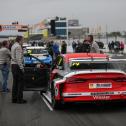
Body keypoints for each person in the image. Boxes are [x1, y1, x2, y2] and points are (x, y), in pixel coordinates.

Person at [11, 36, 27, 104]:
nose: (23, 41)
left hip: (13, 65)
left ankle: (14, 98)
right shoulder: (18, 47)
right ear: (20, 40)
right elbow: (18, 59)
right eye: (23, 40)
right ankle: (19, 99)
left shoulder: (13, 45)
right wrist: (22, 68)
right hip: (17, 66)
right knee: (20, 83)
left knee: (15, 83)